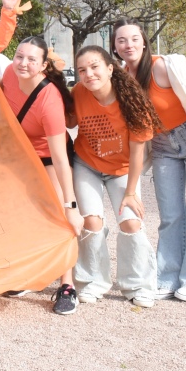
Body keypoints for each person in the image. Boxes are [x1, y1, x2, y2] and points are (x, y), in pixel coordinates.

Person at [112, 18, 186, 302]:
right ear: (114, 46)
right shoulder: (123, 78)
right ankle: (168, 276)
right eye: (122, 40)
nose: (129, 45)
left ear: (145, 41)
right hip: (162, 146)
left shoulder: (163, 66)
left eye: (134, 39)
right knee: (171, 216)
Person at [70, 46, 161, 308]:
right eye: (82, 70)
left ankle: (138, 285)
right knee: (91, 221)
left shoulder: (132, 101)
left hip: (122, 170)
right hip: (87, 163)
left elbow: (137, 154)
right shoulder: (78, 93)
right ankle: (91, 282)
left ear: (111, 68)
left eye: (95, 66)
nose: (89, 74)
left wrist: (131, 193)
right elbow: (65, 119)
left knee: (131, 223)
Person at [0, 37, 83, 315]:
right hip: (21, 153)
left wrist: (71, 206)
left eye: (31, 59)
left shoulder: (50, 99)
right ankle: (28, 276)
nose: (23, 63)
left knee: (59, 217)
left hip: (48, 156)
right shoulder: (9, 74)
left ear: (43, 65)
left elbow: (60, 158)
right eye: (19, 56)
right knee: (19, 214)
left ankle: (67, 286)